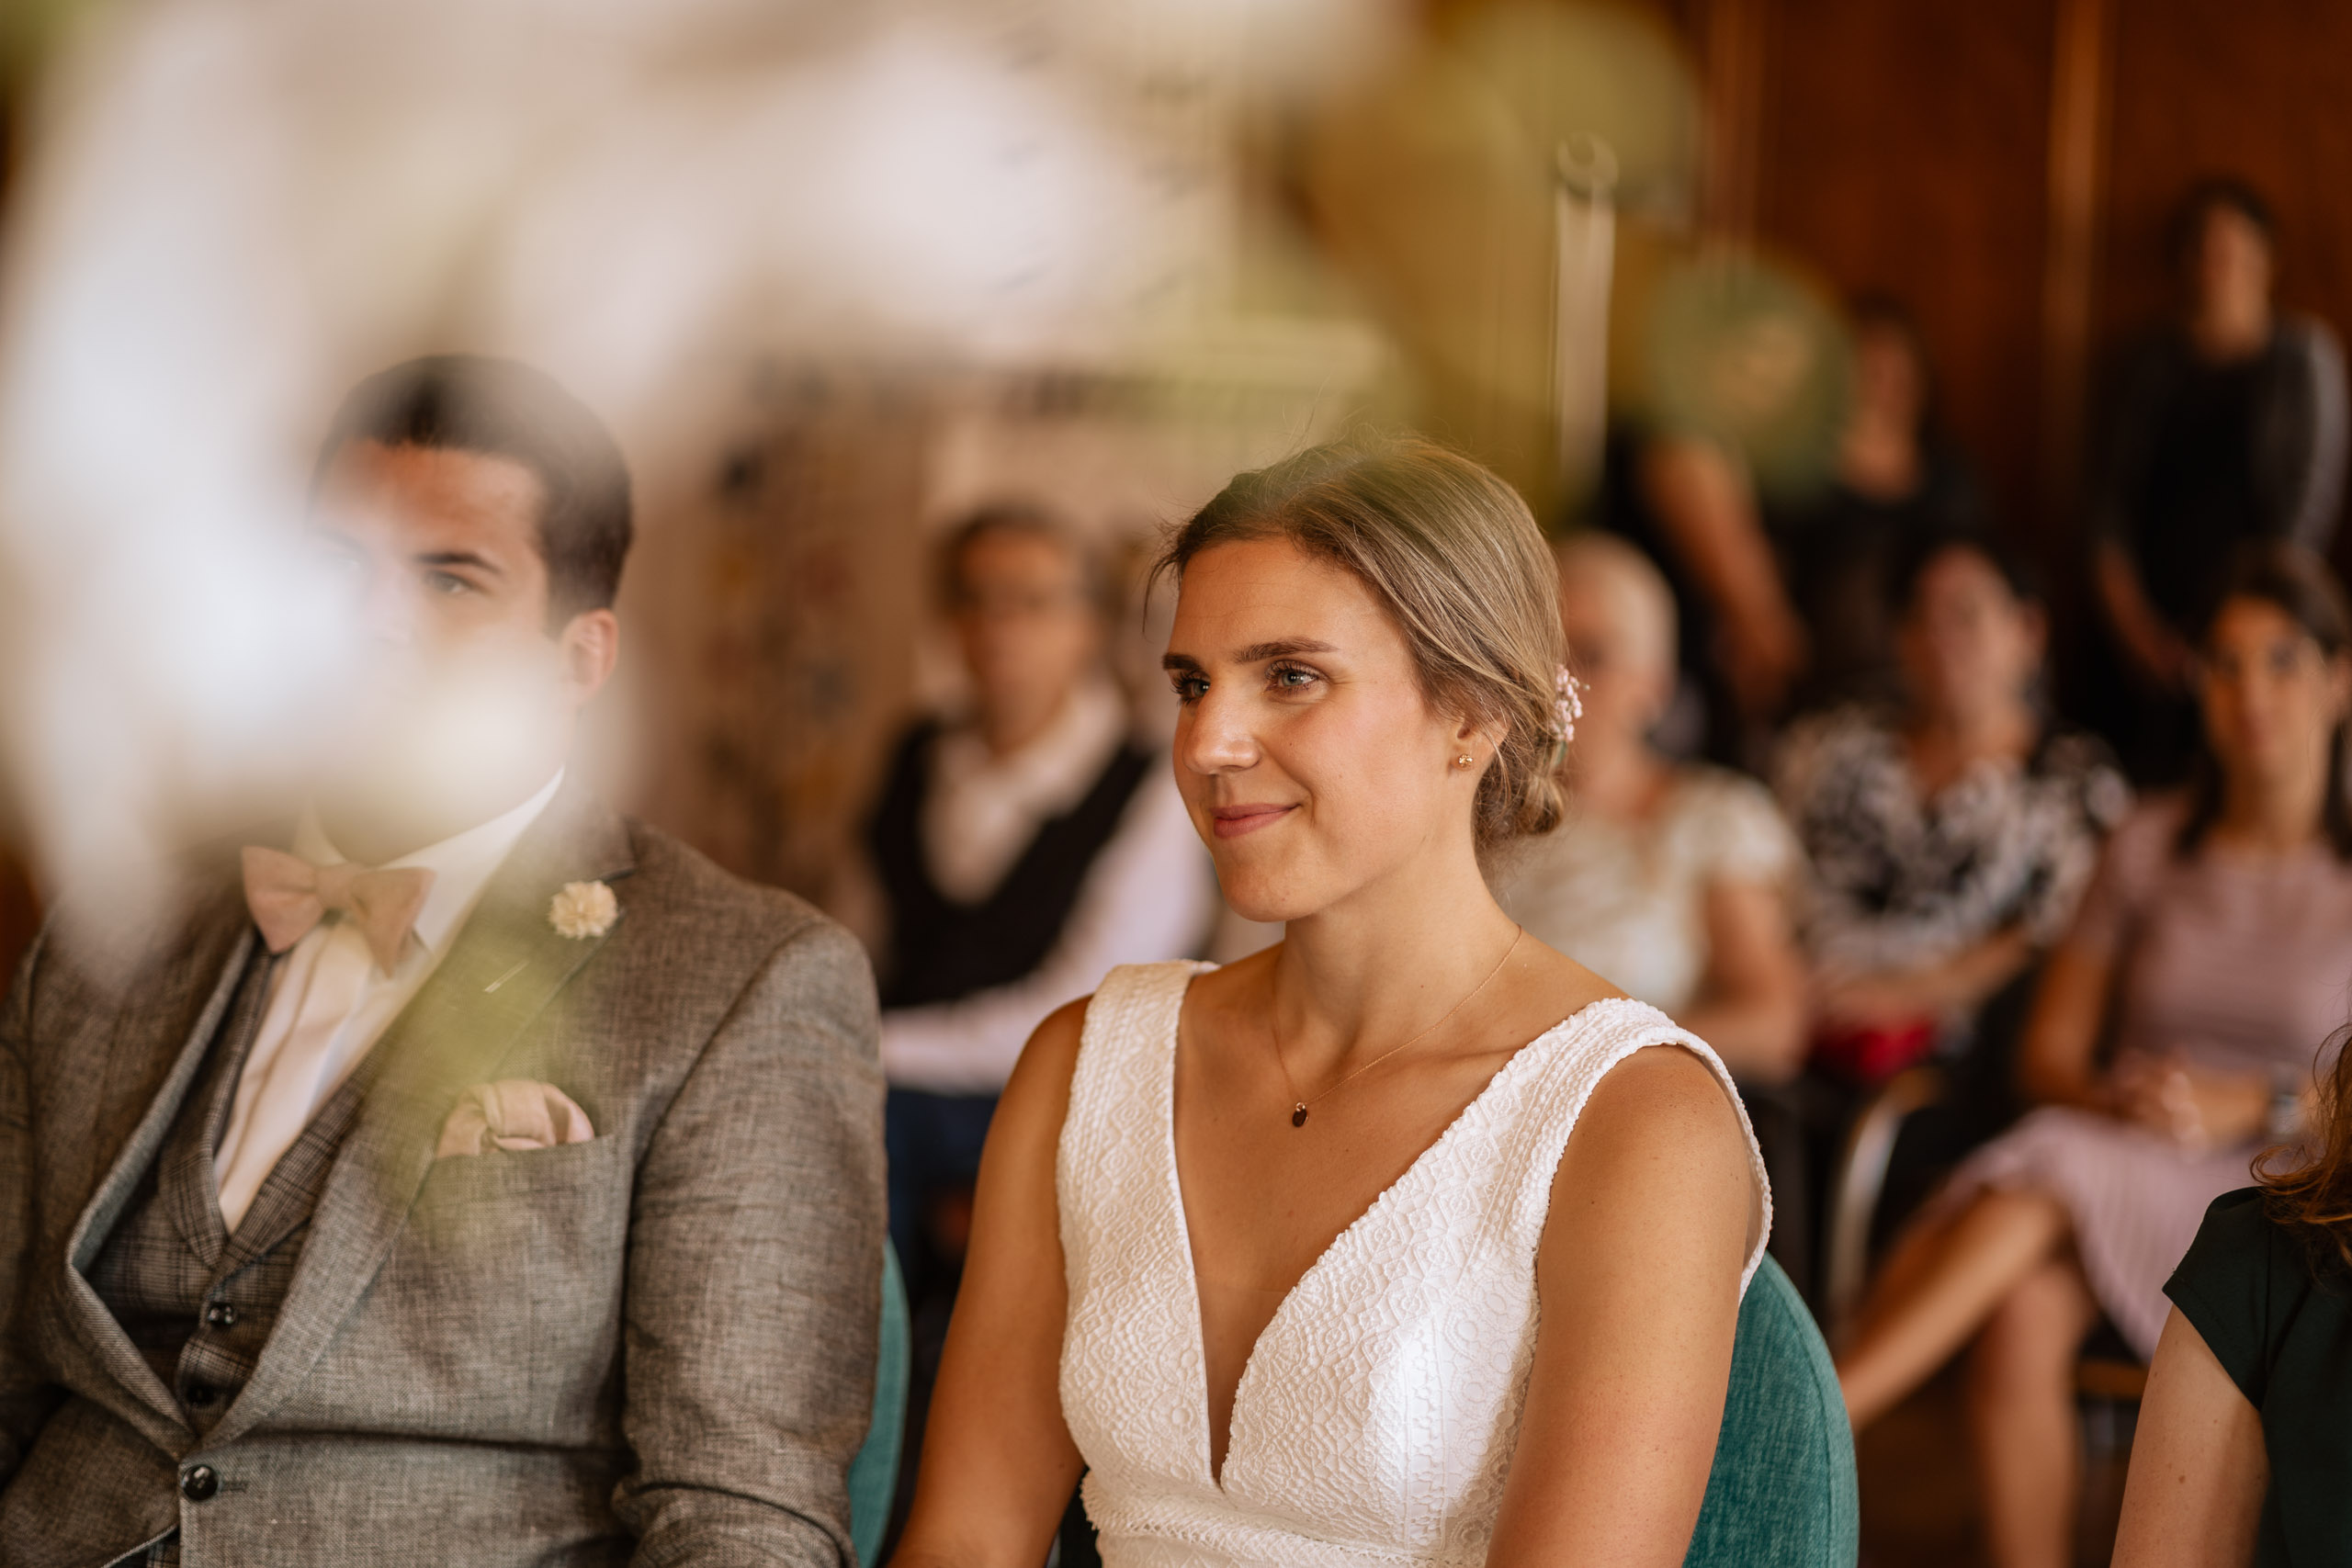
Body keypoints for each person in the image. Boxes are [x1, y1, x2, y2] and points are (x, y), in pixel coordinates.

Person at [0, 355, 886, 1565]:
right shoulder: (120, 915)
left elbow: (739, 1514)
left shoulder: (744, 979)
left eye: (451, 577)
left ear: (579, 660)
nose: (367, 622)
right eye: (331, 567)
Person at [891, 435, 1769, 1567]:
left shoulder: (1634, 1121)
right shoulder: (1084, 1065)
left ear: (1471, 715)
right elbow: (965, 1541)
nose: (1208, 744)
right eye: (1192, 684)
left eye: (1291, 677)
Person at [1834, 543, 2352, 1568]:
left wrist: (2253, 1101)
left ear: (2339, 680)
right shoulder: (2145, 843)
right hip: (2125, 1149)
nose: (2251, 693)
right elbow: (2050, 1055)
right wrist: (2133, 1101)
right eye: (2224, 664)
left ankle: (1819, 1411)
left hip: (2285, 1181)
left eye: (2283, 661)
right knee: (2023, 1311)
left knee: (2045, 1177)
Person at [834, 504, 1216, 1289]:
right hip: (889, 1066)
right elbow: (849, 941)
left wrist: (867, 1045)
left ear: (1090, 625)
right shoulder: (915, 753)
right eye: (975, 597)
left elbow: (1079, 1011)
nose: (998, 626)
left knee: (860, 1120)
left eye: (1032, 601)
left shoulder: (1146, 784)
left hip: (1049, 1091)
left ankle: (882, 1361)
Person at [1776, 532, 2127, 1091]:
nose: (1940, 638)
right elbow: (1762, 868)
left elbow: (2053, 937)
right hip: (1793, 1010)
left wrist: (1908, 995)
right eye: (1919, 616)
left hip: (1957, 1054)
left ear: (2028, 631)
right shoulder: (1831, 747)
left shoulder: (2073, 779)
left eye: (1965, 616)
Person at [1498, 533, 1806, 1081]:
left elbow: (1771, 1021)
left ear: (1654, 685)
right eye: (1542, 649)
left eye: (1592, 655)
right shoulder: (1486, 817)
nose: (1560, 680)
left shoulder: (1712, 818)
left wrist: (1590, 1060)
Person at [2091, 176, 2349, 784]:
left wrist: (2231, 641)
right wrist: (2138, 631)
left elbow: (2310, 507)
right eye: (2202, 248)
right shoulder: (2146, 362)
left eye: (2234, 247)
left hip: (2255, 626)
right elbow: (2106, 506)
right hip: (2147, 632)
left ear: (2267, 257)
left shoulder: (2303, 356)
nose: (2217, 264)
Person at [2112, 1021, 2352, 1568]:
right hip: (2153, 1141)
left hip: (2243, 1147)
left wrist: (2262, 1102)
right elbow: (2048, 1059)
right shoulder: (2257, 1260)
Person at [1777, 294, 1988, 711]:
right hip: (1830, 672)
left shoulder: (1951, 475)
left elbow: (1977, 571)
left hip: (1939, 658)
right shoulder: (1798, 473)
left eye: (1898, 375)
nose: (1883, 389)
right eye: (1869, 373)